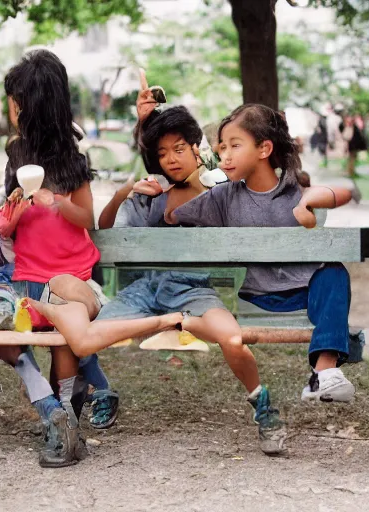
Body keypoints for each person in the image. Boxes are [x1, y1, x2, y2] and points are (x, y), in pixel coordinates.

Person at [74, 99, 288, 455]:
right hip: (145, 291)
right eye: (162, 153)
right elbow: (108, 231)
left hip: (192, 290)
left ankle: (263, 407)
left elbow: (254, 187)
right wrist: (124, 193)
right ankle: (99, 393)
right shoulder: (152, 196)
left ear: (196, 148)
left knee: (232, 339)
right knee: (81, 339)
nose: (171, 159)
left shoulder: (220, 189)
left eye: (178, 149)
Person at [170, 103, 355, 403]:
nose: (224, 156)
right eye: (222, 148)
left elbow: (346, 191)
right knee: (334, 271)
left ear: (264, 149)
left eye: (234, 146)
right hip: (258, 297)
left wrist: (309, 200)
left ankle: (324, 374)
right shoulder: (222, 197)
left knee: (334, 272)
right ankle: (323, 376)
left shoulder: (295, 188)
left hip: (306, 294)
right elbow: (173, 216)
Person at [0, 49, 103, 468]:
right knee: (0, 335)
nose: (10, 107)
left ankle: (64, 417)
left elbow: (86, 217)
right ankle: (57, 409)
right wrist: (11, 213)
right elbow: (9, 217)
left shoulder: (73, 158)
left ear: (29, 105)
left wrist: (56, 201)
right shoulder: (17, 154)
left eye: (14, 99)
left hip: (69, 271)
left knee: (62, 338)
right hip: (28, 271)